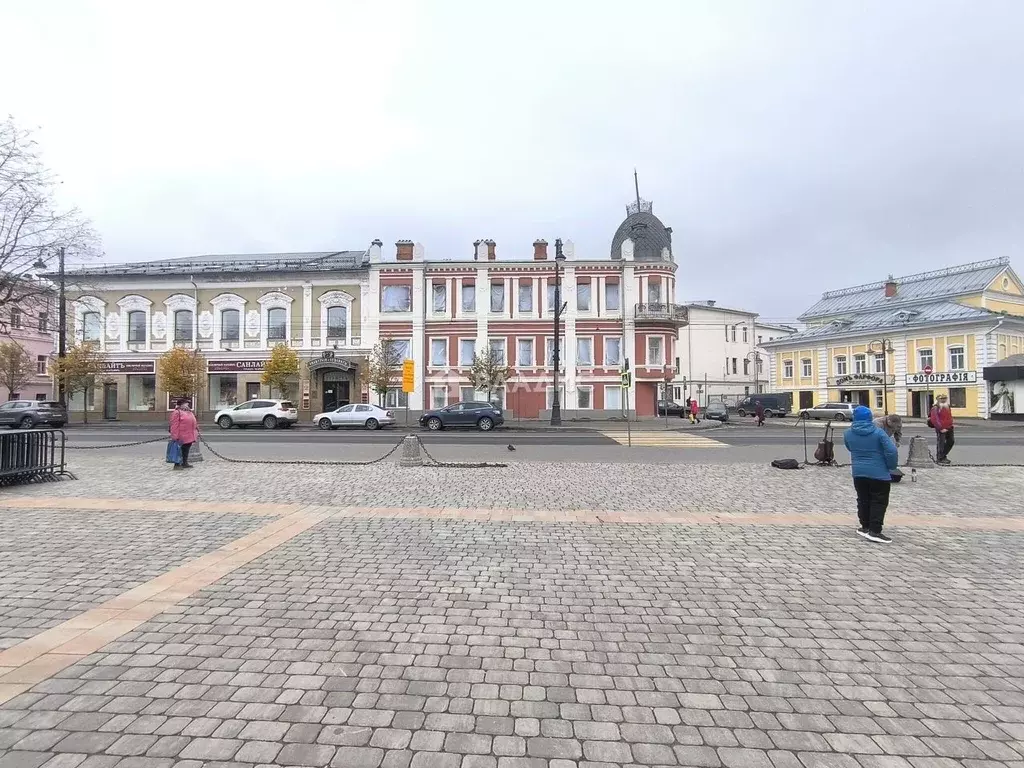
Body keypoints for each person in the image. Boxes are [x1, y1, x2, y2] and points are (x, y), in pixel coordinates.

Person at [843, 405, 898, 543]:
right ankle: (875, 530)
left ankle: (865, 526)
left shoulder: (848, 433)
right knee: (879, 501)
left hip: (858, 472)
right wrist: (891, 467)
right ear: (870, 418)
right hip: (879, 473)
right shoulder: (879, 433)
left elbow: (850, 447)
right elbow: (891, 451)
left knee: (863, 499)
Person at [169, 400, 200, 469]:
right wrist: (175, 435)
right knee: (178, 450)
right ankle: (177, 464)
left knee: (186, 449)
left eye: (188, 405)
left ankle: (184, 462)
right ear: (181, 405)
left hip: (189, 434)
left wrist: (197, 428)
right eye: (186, 404)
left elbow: (194, 420)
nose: (187, 406)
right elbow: (174, 425)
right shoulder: (177, 412)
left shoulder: (189, 412)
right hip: (181, 435)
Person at [929, 395, 955, 465]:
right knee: (941, 443)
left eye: (945, 398)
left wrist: (951, 424)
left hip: (949, 427)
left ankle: (943, 455)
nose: (943, 400)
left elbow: (949, 416)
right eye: (941, 399)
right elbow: (934, 419)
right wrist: (940, 428)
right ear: (938, 399)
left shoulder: (947, 406)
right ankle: (940, 458)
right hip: (941, 428)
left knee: (951, 441)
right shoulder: (935, 407)